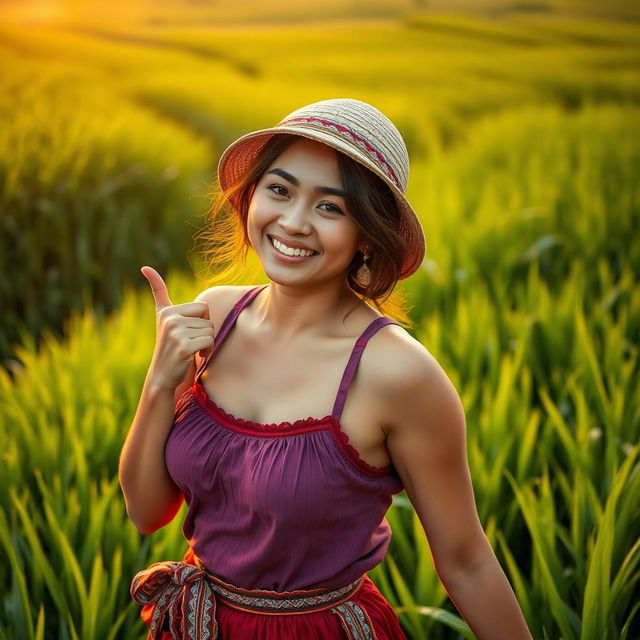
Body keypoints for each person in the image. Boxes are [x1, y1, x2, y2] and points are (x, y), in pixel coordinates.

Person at [119, 98, 533, 639]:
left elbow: (467, 563)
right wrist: (160, 381)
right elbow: (147, 512)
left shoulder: (399, 375)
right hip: (198, 625)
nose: (293, 222)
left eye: (330, 208)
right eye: (280, 190)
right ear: (252, 196)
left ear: (368, 234)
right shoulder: (213, 318)